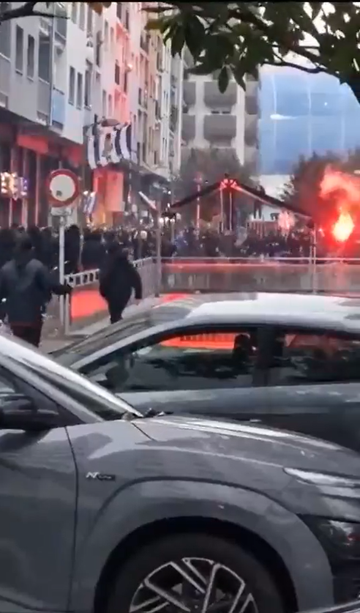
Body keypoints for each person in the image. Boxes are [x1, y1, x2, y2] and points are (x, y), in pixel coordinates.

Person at [0, 234, 71, 347]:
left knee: (17, 347)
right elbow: (51, 284)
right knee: (32, 347)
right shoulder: (37, 266)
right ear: (31, 249)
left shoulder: (6, 269)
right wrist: (66, 289)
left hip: (14, 318)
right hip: (33, 317)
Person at [99, 241, 143, 324]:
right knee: (116, 313)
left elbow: (104, 278)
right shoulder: (124, 262)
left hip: (111, 292)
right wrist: (138, 295)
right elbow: (136, 278)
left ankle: (116, 327)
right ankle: (117, 325)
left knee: (114, 313)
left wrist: (103, 291)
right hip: (124, 291)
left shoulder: (107, 263)